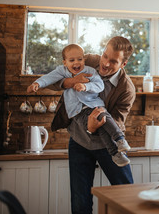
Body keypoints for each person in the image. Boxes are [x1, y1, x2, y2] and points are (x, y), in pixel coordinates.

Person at [50, 37, 136, 214]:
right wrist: (72, 82)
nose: (105, 63)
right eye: (105, 55)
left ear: (123, 63)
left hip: (108, 145)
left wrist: (93, 128)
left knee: (127, 194)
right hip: (79, 143)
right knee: (80, 203)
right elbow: (52, 80)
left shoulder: (126, 89)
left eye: (113, 61)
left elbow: (117, 122)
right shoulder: (87, 61)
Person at [27, 44, 131, 167]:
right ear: (65, 62)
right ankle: (115, 153)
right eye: (72, 60)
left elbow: (99, 86)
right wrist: (37, 84)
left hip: (94, 107)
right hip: (77, 117)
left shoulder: (90, 71)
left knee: (104, 120)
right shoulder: (67, 69)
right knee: (100, 127)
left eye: (113, 61)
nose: (77, 62)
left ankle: (120, 140)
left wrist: (85, 86)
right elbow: (49, 79)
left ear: (123, 64)